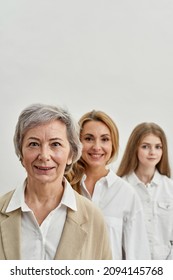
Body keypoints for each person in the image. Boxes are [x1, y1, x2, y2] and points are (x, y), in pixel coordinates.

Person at [0, 104, 112, 260]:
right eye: (34, 144)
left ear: (71, 154)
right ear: (21, 152)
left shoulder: (93, 218)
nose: (44, 155)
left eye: (55, 144)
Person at [66, 110, 151, 259]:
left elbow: (138, 257)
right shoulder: (63, 187)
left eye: (104, 139)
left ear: (113, 144)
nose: (97, 147)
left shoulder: (126, 194)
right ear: (77, 143)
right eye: (89, 138)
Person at [117, 122, 173, 260]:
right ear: (134, 149)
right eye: (145, 146)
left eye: (158, 147)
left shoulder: (170, 188)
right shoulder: (120, 187)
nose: (152, 152)